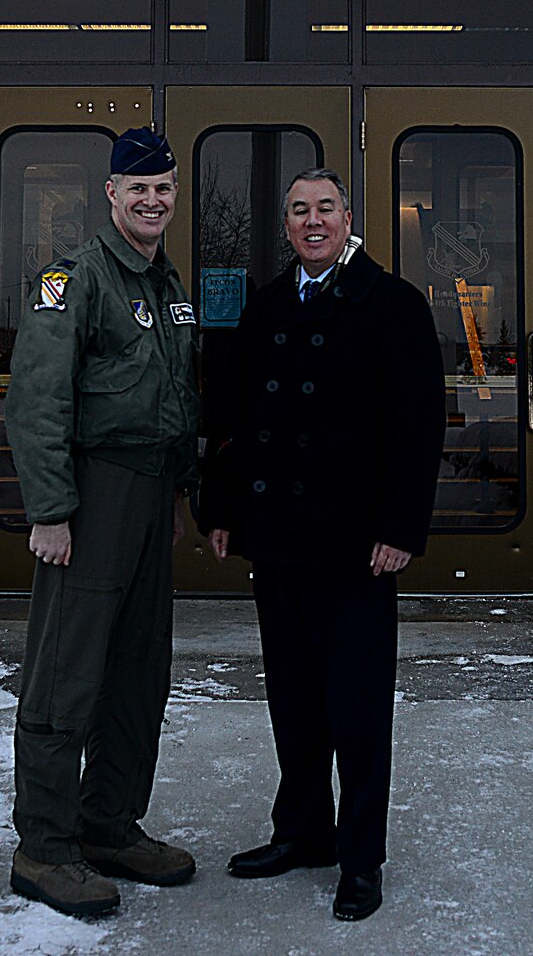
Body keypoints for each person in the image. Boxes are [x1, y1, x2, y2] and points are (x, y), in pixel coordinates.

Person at [201, 167, 445, 923]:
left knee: (358, 709)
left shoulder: (394, 305)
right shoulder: (267, 306)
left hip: (354, 546)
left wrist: (400, 530)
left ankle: (360, 857)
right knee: (294, 700)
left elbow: (419, 429)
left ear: (349, 218)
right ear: (288, 224)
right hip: (277, 540)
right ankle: (302, 832)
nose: (313, 222)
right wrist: (221, 507)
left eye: (326, 209)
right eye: (299, 211)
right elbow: (231, 417)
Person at [5, 126, 202, 918]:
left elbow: (177, 397)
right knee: (67, 673)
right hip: (92, 498)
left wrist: (181, 494)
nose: (152, 200)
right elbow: (37, 400)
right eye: (138, 188)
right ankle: (44, 848)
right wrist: (51, 511)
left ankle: (108, 823)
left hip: (152, 499)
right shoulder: (74, 278)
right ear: (111, 195)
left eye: (165, 188)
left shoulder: (166, 284)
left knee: (138, 672)